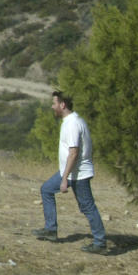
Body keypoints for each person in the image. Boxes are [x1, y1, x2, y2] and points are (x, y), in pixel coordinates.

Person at [32, 90, 108, 254]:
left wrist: (64, 178)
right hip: (70, 171)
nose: (52, 107)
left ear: (62, 104)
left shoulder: (73, 124)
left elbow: (74, 152)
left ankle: (100, 243)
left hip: (77, 174)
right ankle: (50, 230)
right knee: (46, 189)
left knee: (87, 207)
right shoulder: (72, 121)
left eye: (54, 104)